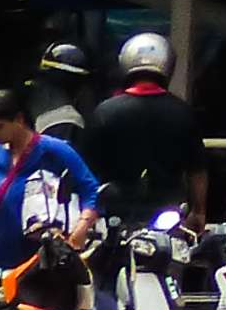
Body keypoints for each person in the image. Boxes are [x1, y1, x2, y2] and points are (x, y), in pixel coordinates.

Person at [0, 87, 101, 272]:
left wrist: (83, 225)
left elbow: (90, 188)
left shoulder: (55, 150)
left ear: (19, 119)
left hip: (40, 264)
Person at [85, 33, 208, 226]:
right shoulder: (182, 112)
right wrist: (199, 211)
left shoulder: (105, 112)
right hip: (169, 210)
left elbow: (89, 170)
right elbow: (197, 170)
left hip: (116, 212)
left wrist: (86, 215)